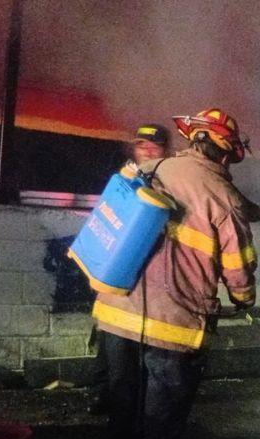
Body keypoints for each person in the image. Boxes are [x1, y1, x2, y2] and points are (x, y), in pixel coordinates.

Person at [91, 108, 260, 439]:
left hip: (116, 312)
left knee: (123, 403)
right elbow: (238, 267)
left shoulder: (150, 171)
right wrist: (244, 299)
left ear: (192, 140)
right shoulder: (223, 198)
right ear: (227, 153)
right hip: (173, 323)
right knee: (162, 409)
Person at [88, 123, 171, 415]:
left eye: (154, 146)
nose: (147, 151)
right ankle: (107, 398)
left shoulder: (168, 186)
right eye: (141, 145)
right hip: (115, 281)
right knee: (111, 346)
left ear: (165, 151)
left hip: (144, 287)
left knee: (124, 355)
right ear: (132, 149)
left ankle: (118, 410)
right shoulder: (123, 182)